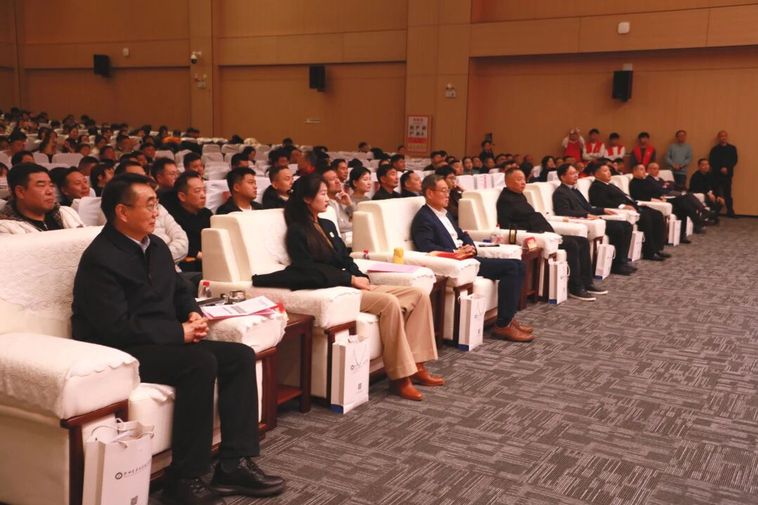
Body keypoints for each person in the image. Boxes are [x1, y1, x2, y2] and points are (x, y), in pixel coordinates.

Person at [71, 174, 284, 505]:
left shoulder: (154, 245)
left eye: (156, 204)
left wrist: (193, 314)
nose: (156, 212)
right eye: (149, 205)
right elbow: (113, 327)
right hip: (121, 349)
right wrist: (177, 332)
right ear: (122, 212)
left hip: (162, 340)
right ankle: (184, 478)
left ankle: (233, 464)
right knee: (199, 362)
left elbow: (179, 290)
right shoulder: (100, 258)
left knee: (239, 356)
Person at [270, 174, 443, 401]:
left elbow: (345, 258)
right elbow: (309, 270)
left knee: (419, 294)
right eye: (322, 193)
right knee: (390, 303)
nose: (327, 198)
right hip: (335, 289)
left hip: (353, 284)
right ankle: (400, 378)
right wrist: (350, 280)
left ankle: (418, 366)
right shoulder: (297, 231)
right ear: (306, 198)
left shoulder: (327, 224)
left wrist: (361, 277)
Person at [411, 174, 533, 342]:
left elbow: (462, 234)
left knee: (519, 265)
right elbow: (427, 247)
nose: (448, 195)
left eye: (448, 190)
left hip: (467, 257)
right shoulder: (423, 218)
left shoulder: (445, 214)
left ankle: (508, 319)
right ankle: (503, 325)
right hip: (456, 262)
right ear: (430, 193)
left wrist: (470, 247)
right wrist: (456, 251)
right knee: (512, 268)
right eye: (443, 191)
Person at [498, 168, 606, 301]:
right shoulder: (506, 200)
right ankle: (575, 288)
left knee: (582, 241)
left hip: (547, 233)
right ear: (508, 182)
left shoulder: (519, 195)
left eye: (524, 179)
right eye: (519, 179)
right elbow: (509, 226)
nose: (523, 182)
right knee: (572, 244)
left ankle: (587, 283)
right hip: (535, 236)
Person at [552, 164, 635, 276]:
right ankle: (617, 265)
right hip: (583, 221)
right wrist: (586, 215)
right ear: (562, 177)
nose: (576, 175)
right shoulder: (560, 192)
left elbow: (589, 207)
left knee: (627, 225)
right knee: (618, 228)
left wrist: (603, 210)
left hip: (592, 219)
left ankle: (622, 261)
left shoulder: (575, 190)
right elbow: (563, 212)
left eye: (576, 173)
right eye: (572, 173)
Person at [589, 163, 669, 261]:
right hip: (622, 209)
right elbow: (601, 202)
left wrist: (636, 203)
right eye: (605, 171)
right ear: (596, 174)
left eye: (609, 170)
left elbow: (625, 196)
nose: (609, 173)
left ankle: (657, 249)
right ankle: (649, 252)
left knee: (657, 214)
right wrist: (622, 206)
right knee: (646, 217)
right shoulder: (596, 186)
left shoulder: (610, 185)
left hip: (632, 206)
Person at [0, 163, 84, 233]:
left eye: (51, 185)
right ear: (20, 192)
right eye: (41, 185)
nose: (50, 191)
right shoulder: (5, 228)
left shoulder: (67, 212)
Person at [628, 164, 702, 244]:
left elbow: (657, 190)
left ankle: (683, 234)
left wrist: (661, 196)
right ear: (634, 171)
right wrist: (656, 199)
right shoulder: (634, 183)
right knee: (684, 199)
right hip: (653, 202)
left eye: (644, 169)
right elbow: (638, 197)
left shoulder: (645, 181)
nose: (644, 172)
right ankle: (699, 219)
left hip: (662, 199)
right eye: (641, 169)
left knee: (684, 206)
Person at [168, 171, 212, 272]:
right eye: (197, 191)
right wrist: (199, 255)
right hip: (189, 266)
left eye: (204, 190)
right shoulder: (173, 217)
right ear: (182, 196)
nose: (203, 195)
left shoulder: (207, 213)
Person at [708, 130, 738, 217]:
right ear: (718, 138)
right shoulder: (714, 149)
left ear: (727, 137)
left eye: (725, 136)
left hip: (727, 174)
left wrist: (726, 168)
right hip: (716, 174)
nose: (723, 137)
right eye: (721, 136)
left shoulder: (732, 148)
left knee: (728, 194)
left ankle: (730, 212)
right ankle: (715, 212)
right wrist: (720, 168)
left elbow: (734, 160)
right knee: (716, 193)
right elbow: (712, 161)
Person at [321, 165, 353, 234]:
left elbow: (359, 218)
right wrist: (354, 222)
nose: (338, 181)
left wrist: (349, 204)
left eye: (337, 178)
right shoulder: (325, 203)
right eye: (332, 179)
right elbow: (339, 226)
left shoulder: (342, 199)